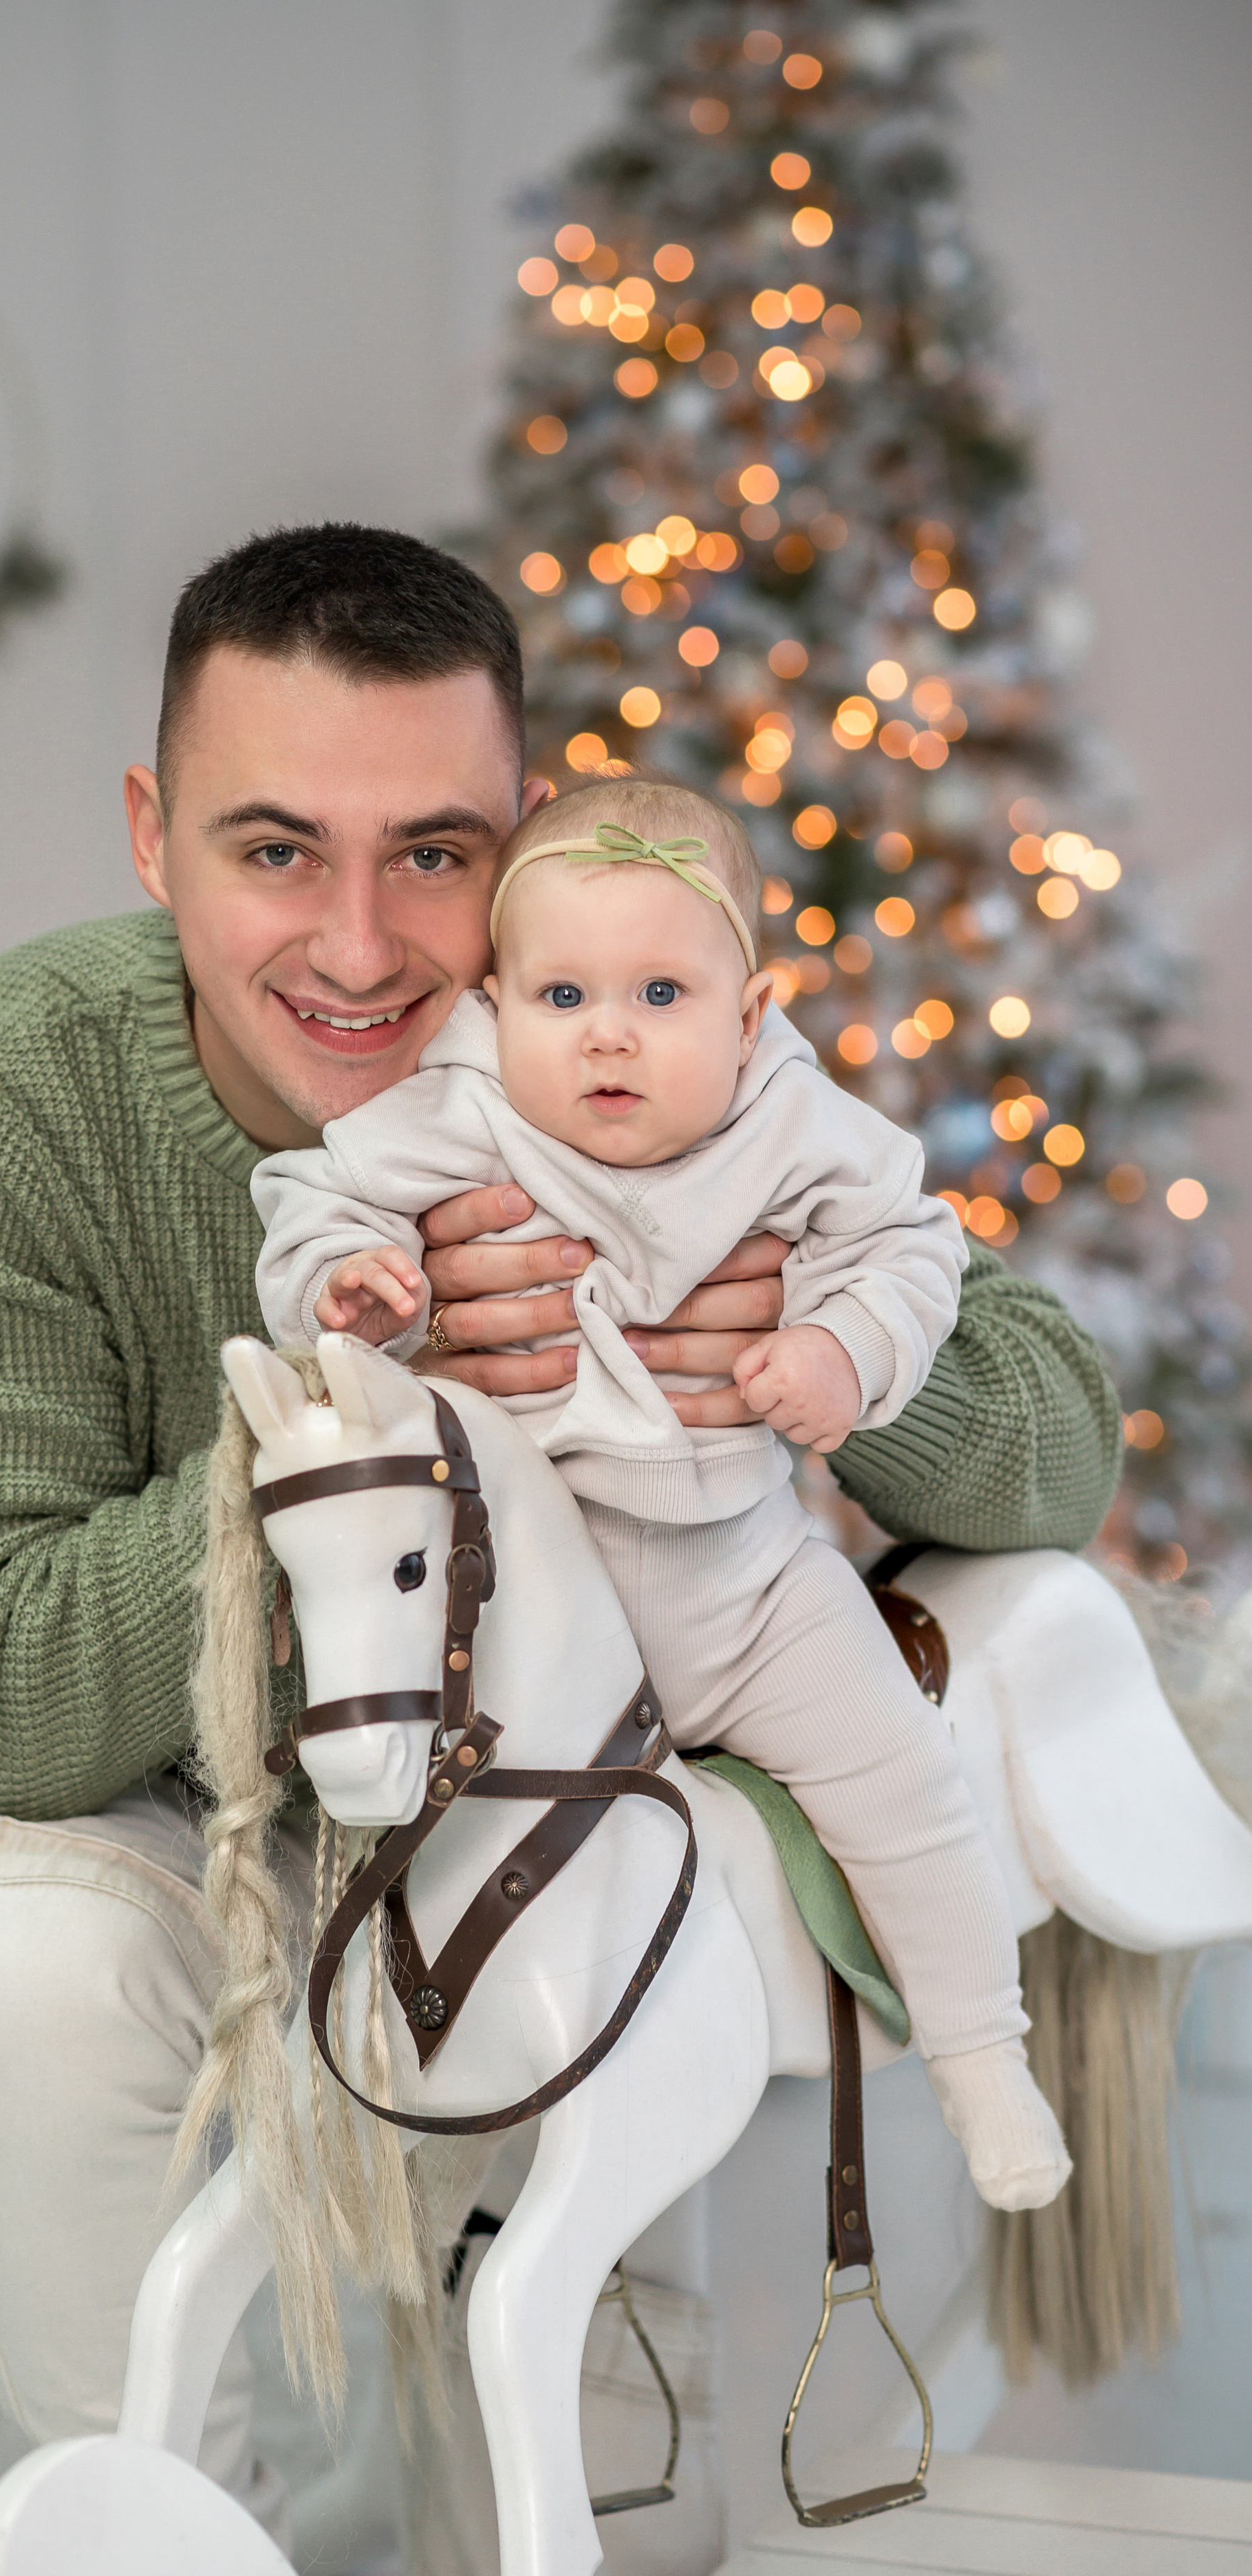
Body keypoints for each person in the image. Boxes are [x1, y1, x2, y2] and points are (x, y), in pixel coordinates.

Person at [0, 525, 1122, 2576]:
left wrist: (806, 1355)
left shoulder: (626, 1044)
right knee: (20, 1951)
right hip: (219, 1828)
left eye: (435, 854)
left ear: (523, 840)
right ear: (155, 838)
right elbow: (1, 1694)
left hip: (570, 1829)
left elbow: (1061, 1440)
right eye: (275, 849)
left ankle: (523, 2517)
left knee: (593, 2575)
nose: (362, 946)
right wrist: (369, 1422)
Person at [255, 775, 1070, 2212]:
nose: (607, 1033)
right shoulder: (466, 1110)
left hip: (742, 1590)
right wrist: (348, 1281)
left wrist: (842, 1350)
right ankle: (430, 2114)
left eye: (659, 993)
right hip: (521, 1624)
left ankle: (979, 2049)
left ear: (749, 1015)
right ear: (495, 1003)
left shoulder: (790, 1121)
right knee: (402, 1807)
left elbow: (908, 1248)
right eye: (562, 994)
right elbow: (317, 1195)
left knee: (901, 1782)